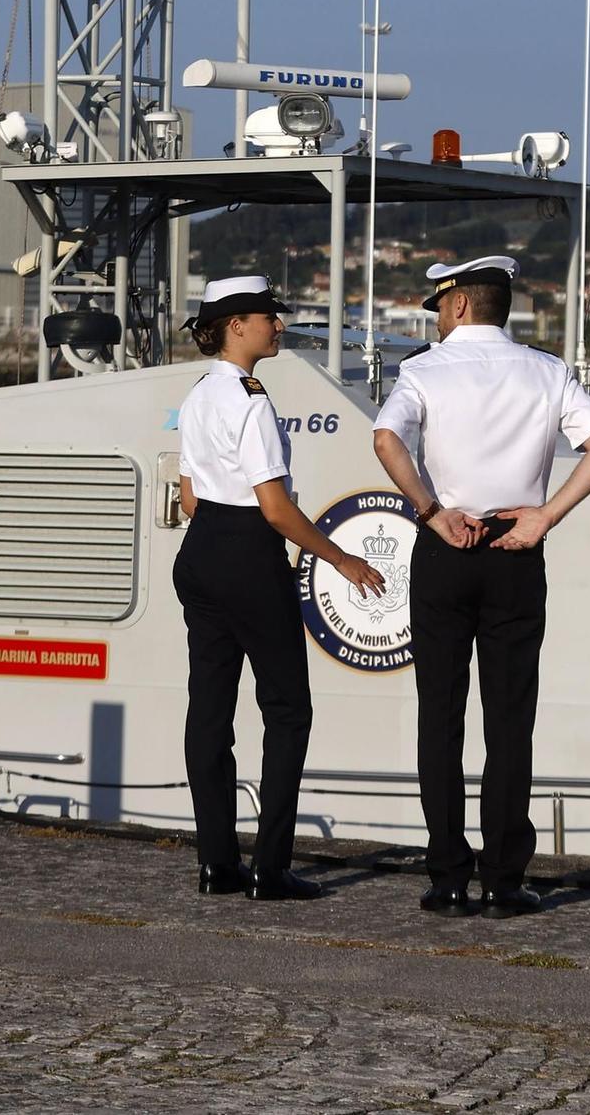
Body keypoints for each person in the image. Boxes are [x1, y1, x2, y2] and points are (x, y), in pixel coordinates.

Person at [371, 255, 590, 919]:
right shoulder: (547, 371)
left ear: (455, 305)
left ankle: (448, 876)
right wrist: (545, 514)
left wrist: (429, 509)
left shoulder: (423, 370)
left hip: (446, 546)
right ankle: (505, 880)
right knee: (509, 722)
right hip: (517, 549)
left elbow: (386, 438)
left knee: (440, 716)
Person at [176, 275, 387, 901]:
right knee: (288, 711)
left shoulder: (197, 395)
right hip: (248, 552)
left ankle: (217, 863)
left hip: (202, 549)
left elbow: (189, 496)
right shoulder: (251, 400)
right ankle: (270, 869)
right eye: (268, 315)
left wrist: (222, 534)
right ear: (236, 325)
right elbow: (275, 508)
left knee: (209, 712)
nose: (278, 324)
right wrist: (343, 559)